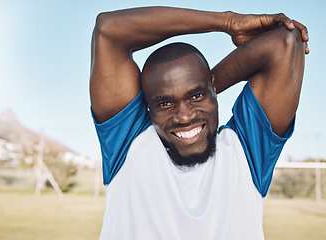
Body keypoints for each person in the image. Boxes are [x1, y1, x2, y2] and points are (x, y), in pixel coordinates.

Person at [90, 7, 309, 240]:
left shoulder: (247, 151)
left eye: (196, 96)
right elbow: (108, 29)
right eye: (165, 103)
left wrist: (203, 84)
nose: (184, 117)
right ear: (147, 106)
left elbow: (287, 39)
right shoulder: (128, 142)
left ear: (213, 89)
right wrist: (228, 22)